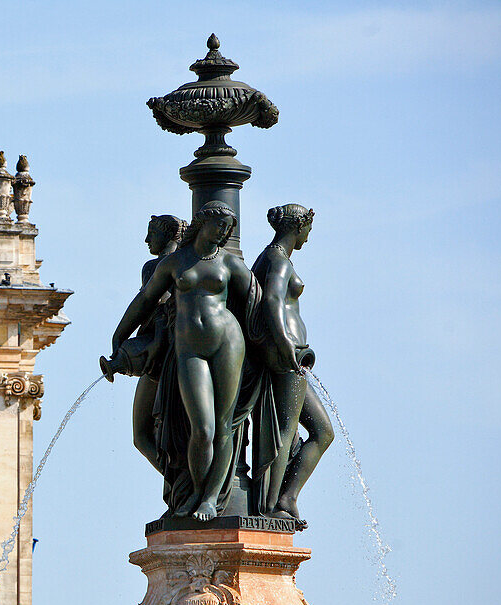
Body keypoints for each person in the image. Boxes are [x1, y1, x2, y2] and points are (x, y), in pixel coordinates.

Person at [110, 201, 277, 521]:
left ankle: (210, 499)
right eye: (220, 227)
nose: (224, 234)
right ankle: (192, 492)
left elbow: (257, 302)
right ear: (203, 223)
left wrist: (276, 346)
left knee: (225, 426)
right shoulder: (174, 263)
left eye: (229, 230)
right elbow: (145, 300)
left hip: (228, 343)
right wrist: (120, 335)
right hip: (190, 349)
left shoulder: (229, 263)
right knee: (202, 426)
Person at [250, 204, 334, 526]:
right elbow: (272, 299)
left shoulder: (269, 257)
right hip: (288, 357)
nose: (308, 238)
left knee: (321, 431)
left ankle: (286, 497)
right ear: (298, 226)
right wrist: (286, 344)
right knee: (288, 429)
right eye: (308, 230)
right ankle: (274, 504)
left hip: (287, 355)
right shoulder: (278, 260)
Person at [100, 215, 186, 499]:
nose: (147, 240)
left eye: (151, 234)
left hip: (157, 357)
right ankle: (184, 482)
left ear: (167, 235)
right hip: (178, 350)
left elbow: (146, 303)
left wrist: (120, 339)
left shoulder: (155, 266)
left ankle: (180, 482)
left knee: (142, 436)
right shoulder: (189, 262)